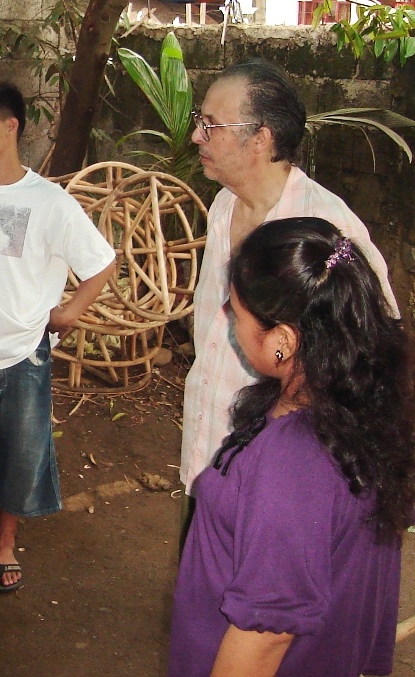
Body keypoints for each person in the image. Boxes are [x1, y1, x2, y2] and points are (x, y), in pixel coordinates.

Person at [169, 216, 413, 676]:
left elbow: (265, 637)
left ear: (282, 341)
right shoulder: (361, 402)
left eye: (236, 311)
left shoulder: (291, 463)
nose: (225, 314)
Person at [179, 59, 397, 532]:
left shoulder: (328, 232)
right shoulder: (223, 206)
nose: (197, 135)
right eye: (201, 121)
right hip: (209, 452)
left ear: (261, 138)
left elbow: (379, 352)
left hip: (284, 485)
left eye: (211, 125)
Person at [0, 81, 115, 594]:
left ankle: (5, 544)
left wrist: (69, 312)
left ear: (11, 126)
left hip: (24, 355)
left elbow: (102, 263)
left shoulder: (50, 202)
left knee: (21, 455)